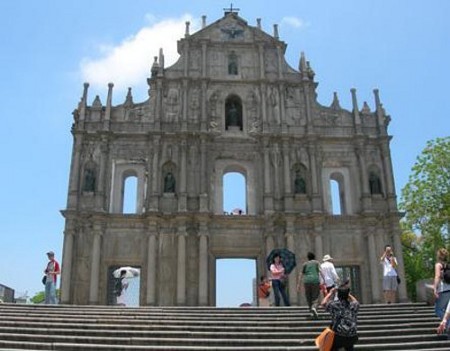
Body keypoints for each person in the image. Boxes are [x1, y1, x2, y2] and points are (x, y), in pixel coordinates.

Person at [321, 285, 359, 351]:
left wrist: (330, 293)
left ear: (338, 295)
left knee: (331, 346)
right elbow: (356, 301)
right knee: (349, 344)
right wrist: (349, 294)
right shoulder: (353, 305)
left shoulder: (334, 305)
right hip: (353, 336)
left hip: (338, 336)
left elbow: (323, 303)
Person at [298, 252, 322, 318]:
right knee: (315, 296)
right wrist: (324, 280)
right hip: (315, 281)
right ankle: (314, 308)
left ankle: (311, 312)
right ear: (314, 257)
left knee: (309, 297)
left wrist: (298, 285)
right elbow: (321, 271)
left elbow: (300, 274)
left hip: (307, 281)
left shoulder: (305, 264)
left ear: (308, 258)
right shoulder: (316, 263)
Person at [433, 248, 450, 320]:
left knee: (438, 310)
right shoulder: (448, 264)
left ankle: (448, 324)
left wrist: (435, 288)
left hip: (444, 290)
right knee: (447, 311)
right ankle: (447, 328)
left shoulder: (438, 264)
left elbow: (437, 276)